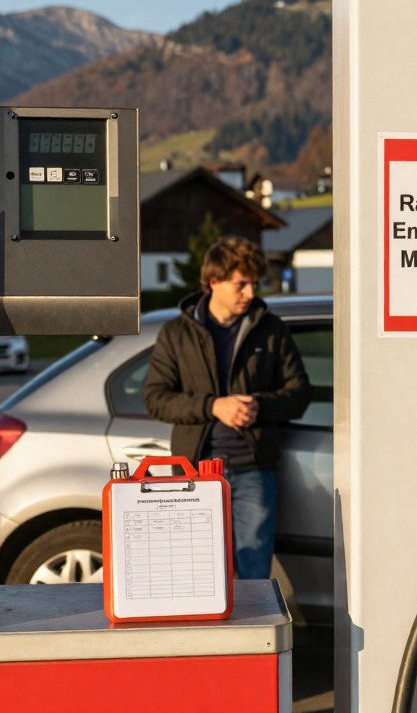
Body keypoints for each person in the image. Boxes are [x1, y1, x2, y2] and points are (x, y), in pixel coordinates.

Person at [143, 235, 312, 579]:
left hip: (253, 468)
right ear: (213, 281)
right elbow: (156, 398)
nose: (250, 293)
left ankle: (250, 620)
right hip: (194, 471)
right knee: (197, 574)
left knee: (254, 573)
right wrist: (214, 406)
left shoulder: (270, 329)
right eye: (241, 284)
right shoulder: (177, 333)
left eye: (254, 284)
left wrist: (260, 406)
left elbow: (299, 393)